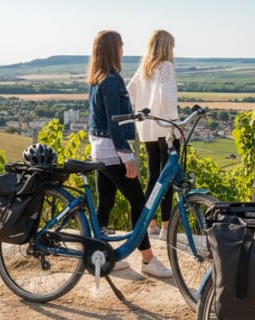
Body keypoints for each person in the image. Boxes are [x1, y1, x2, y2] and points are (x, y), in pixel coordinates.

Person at [86, 30, 172, 278]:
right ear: (114, 49)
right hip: (113, 153)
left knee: (105, 205)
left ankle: (98, 256)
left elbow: (106, 117)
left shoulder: (97, 79)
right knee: (139, 204)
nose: (124, 49)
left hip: (99, 151)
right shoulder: (112, 81)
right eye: (121, 45)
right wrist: (127, 156)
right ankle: (148, 260)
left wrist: (136, 115)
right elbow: (115, 123)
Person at [127, 29, 180, 241]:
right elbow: (166, 97)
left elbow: (129, 91)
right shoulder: (166, 66)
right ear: (167, 46)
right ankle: (167, 227)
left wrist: (140, 112)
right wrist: (174, 122)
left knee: (152, 178)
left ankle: (151, 223)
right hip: (165, 128)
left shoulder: (143, 69)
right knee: (167, 178)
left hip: (147, 129)